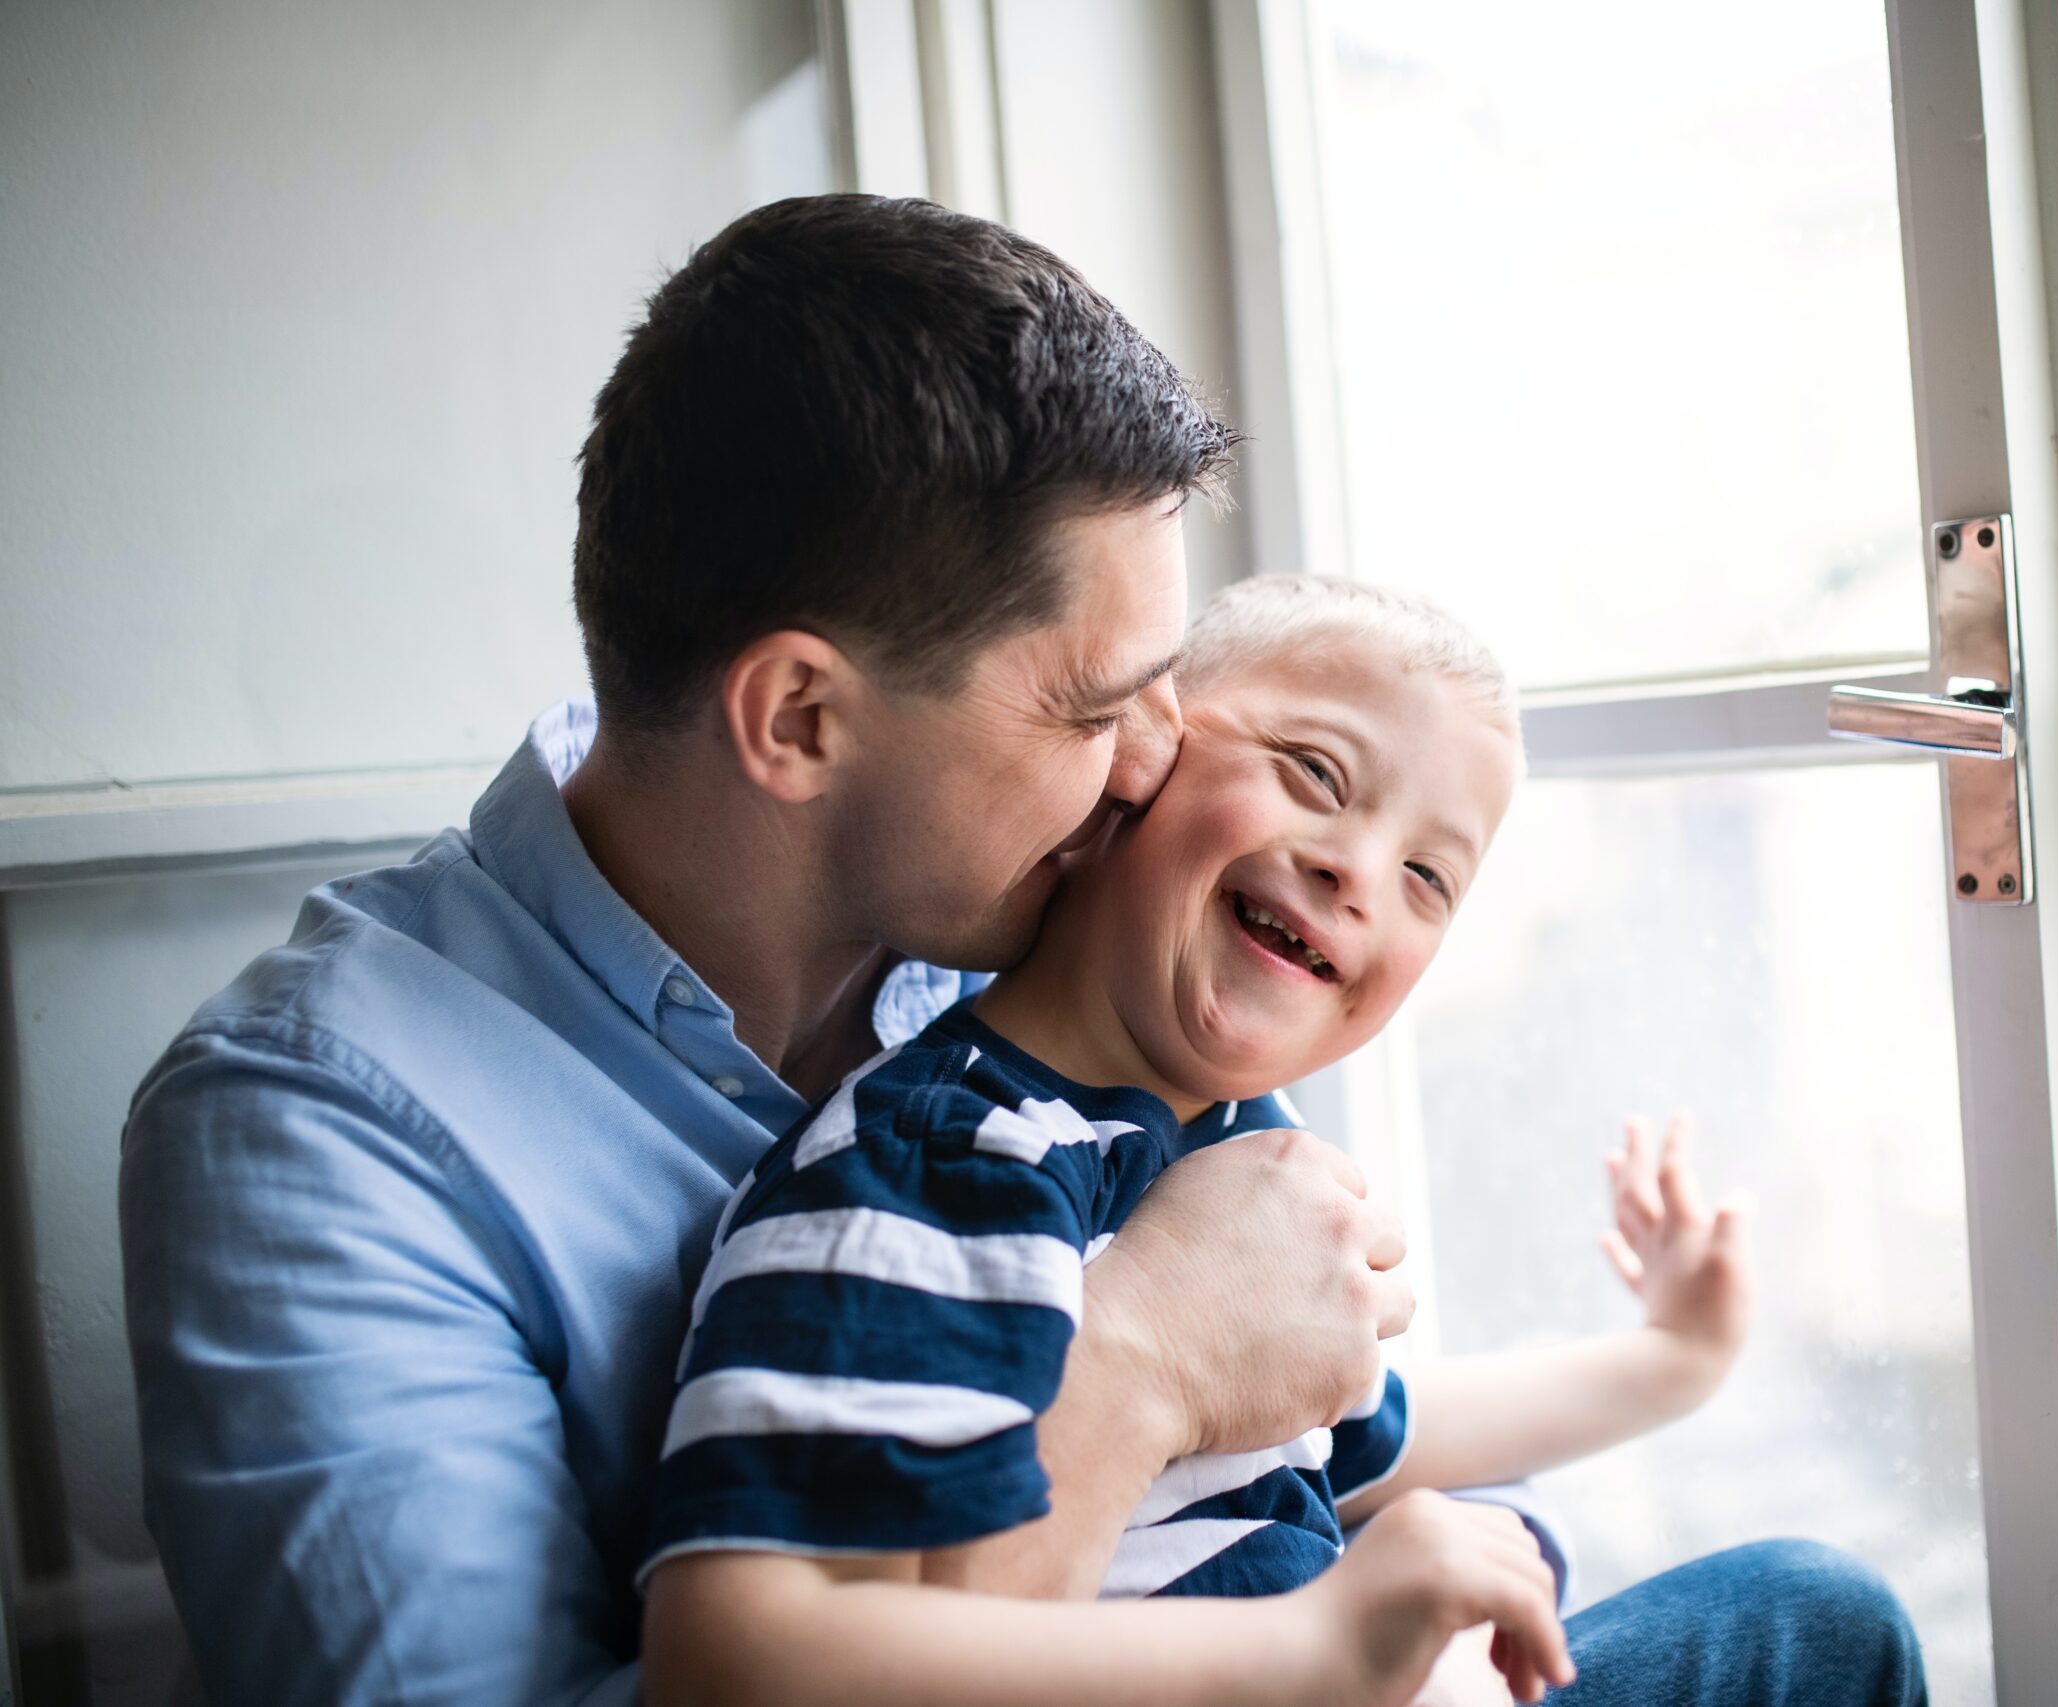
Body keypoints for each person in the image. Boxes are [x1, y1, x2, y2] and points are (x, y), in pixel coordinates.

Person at [121, 194, 1920, 1707]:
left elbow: (1301, 1450)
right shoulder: (317, 1136)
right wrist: (1143, 1365)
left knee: (1813, 1625)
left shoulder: (1035, 946)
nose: (1153, 764)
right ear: (802, 721)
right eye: (1100, 704)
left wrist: (1481, 1484)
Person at [640, 575, 1813, 1707]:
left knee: (1811, 1614)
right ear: (1136, 762)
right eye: (1314, 773)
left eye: (1425, 875)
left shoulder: (1246, 1154)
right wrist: (1320, 1639)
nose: (1356, 871)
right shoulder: (925, 1168)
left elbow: (1376, 1435)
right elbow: (802, 1654)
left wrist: (1672, 1362)